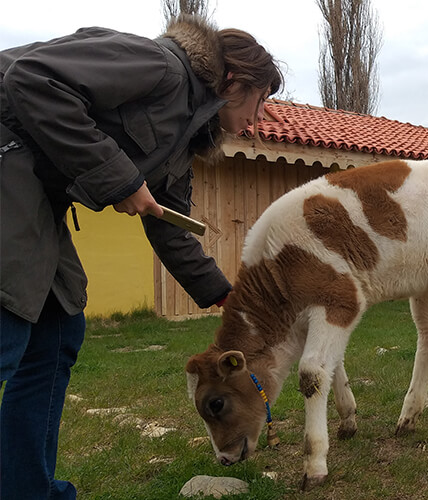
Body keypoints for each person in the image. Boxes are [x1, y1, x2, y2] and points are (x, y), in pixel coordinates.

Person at [0, 14, 283, 500]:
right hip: (7, 159)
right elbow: (32, 79)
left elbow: (170, 225)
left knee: (58, 330)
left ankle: (26, 490)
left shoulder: (183, 142)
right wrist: (121, 178)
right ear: (233, 81)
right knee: (8, 319)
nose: (260, 117)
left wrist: (225, 297)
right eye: (261, 100)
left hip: (38, 193)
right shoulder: (160, 65)